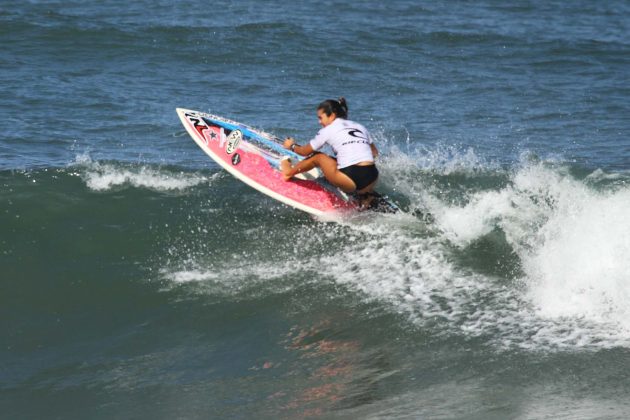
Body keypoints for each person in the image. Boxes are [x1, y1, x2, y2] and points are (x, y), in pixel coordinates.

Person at [280, 97, 379, 204]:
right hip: (372, 176)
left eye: (320, 118)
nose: (319, 122)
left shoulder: (327, 130)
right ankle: (364, 195)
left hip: (351, 179)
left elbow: (305, 152)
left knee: (318, 157)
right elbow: (374, 153)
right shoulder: (359, 126)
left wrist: (292, 146)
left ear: (331, 115)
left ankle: (287, 173)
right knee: (333, 160)